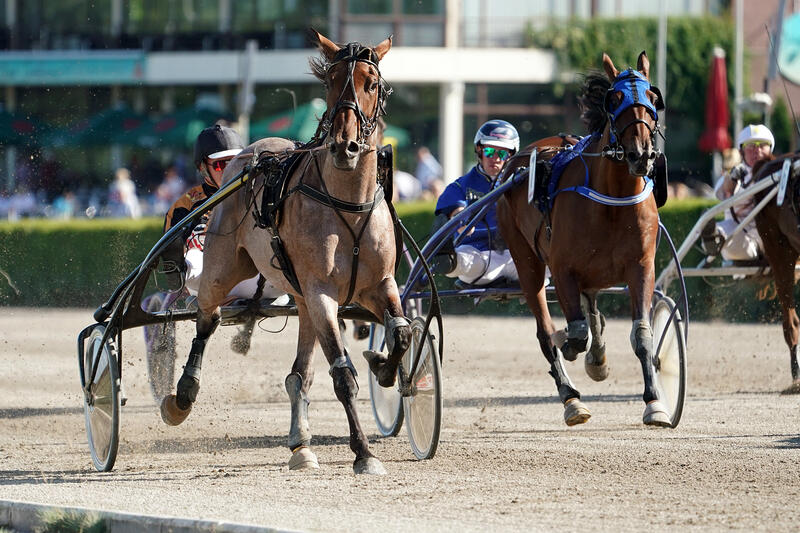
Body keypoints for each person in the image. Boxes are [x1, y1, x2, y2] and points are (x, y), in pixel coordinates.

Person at [160, 124, 287, 353]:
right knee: (194, 257)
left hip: (260, 281)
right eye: (220, 164)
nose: (230, 169)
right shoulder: (185, 205)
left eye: (236, 162)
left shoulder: (260, 196)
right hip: (208, 281)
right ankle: (183, 270)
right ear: (202, 168)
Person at [433, 119, 522, 287]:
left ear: (510, 156)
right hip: (477, 257)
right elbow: (456, 210)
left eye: (501, 154)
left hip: (515, 257)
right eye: (489, 152)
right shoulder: (460, 185)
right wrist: (460, 219)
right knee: (464, 260)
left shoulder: (521, 185)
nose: (495, 158)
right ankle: (449, 260)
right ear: (479, 151)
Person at [702, 124, 774, 263]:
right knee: (724, 230)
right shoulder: (734, 176)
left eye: (762, 145)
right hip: (743, 240)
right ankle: (712, 239)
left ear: (770, 149)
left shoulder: (780, 175)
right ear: (741, 151)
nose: (757, 150)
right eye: (751, 146)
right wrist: (732, 178)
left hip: (771, 239)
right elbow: (725, 188)